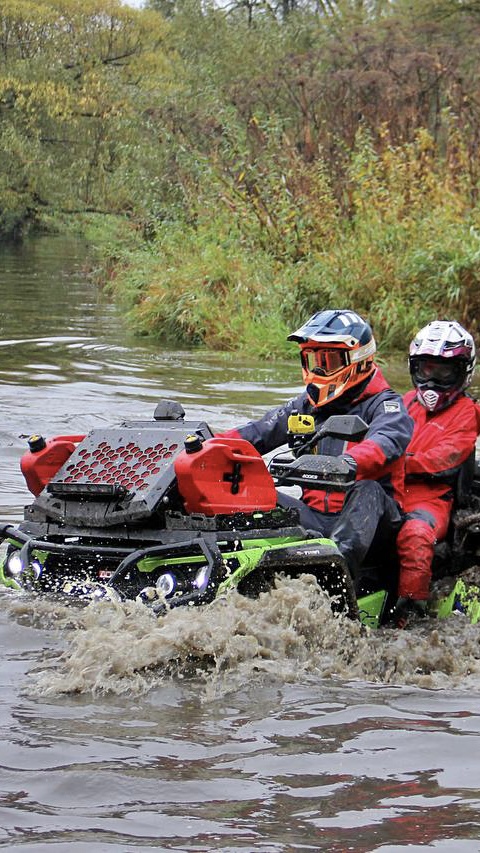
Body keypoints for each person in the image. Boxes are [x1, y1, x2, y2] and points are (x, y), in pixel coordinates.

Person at [219, 308, 413, 592]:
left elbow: (386, 441)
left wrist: (347, 463)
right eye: (313, 360)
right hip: (317, 518)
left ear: (358, 360)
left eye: (328, 361)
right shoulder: (306, 406)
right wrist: (207, 445)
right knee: (257, 496)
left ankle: (334, 582)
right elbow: (259, 432)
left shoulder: (387, 406)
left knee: (368, 491)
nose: (318, 370)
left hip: (377, 530)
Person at [393, 319, 480, 627]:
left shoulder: (467, 412)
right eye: (426, 369)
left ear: (461, 372)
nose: (432, 379)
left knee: (414, 534)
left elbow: (447, 456)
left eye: (443, 371)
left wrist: (400, 462)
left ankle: (411, 609)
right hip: (389, 487)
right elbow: (376, 437)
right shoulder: (403, 403)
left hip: (432, 498)